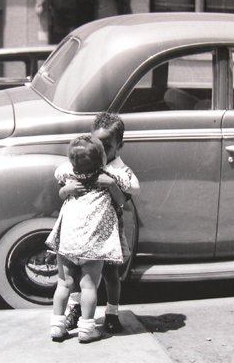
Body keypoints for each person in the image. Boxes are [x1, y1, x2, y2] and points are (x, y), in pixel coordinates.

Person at [46, 134, 131, 343]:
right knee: (89, 286)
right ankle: (86, 329)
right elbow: (121, 201)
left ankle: (57, 327)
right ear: (102, 159)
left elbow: (61, 192)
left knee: (63, 285)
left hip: (68, 242)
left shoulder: (68, 176)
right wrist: (111, 185)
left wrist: (66, 189)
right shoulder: (110, 177)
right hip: (93, 245)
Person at [60, 112, 140, 334]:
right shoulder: (84, 160)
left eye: (108, 145)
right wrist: (67, 189)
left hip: (108, 233)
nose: (102, 151)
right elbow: (61, 174)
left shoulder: (120, 170)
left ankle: (112, 314)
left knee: (111, 275)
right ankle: (76, 310)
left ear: (119, 145)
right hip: (82, 232)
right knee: (77, 275)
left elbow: (130, 192)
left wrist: (112, 184)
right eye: (98, 144)